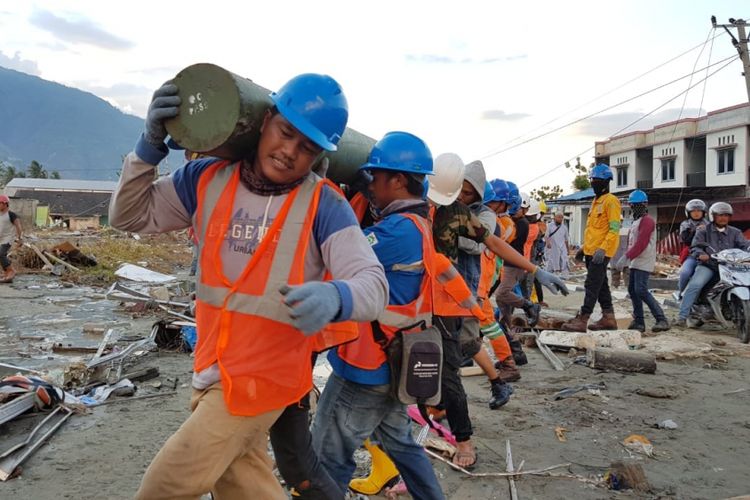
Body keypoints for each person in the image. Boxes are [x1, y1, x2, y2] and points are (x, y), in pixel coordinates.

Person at [109, 73, 388, 499]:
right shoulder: (205, 179)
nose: (289, 151)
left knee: (164, 486)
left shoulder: (324, 204)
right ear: (265, 121)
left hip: (264, 377)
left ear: (319, 154)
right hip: (211, 365)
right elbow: (128, 217)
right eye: (286, 132)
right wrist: (148, 148)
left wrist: (337, 295)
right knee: (242, 484)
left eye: (307, 147)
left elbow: (374, 285)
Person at [311, 131, 444, 499]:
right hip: (395, 361)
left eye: (376, 177)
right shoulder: (419, 223)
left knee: (329, 456)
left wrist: (322, 190)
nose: (370, 184)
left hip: (368, 365)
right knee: (402, 444)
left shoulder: (398, 231)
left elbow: (341, 251)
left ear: (399, 180)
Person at [428, 159, 568, 468]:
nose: (458, 196)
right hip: (412, 298)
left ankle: (463, 438)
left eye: (465, 192)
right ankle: (436, 407)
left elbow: (489, 242)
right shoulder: (409, 204)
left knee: (452, 366)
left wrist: (535, 270)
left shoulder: (459, 214)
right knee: (422, 362)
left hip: (448, 299)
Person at [561, 164, 621, 332]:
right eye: (592, 180)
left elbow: (614, 229)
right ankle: (609, 317)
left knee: (592, 285)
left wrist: (603, 249)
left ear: (606, 181)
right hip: (591, 251)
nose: (594, 183)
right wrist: (583, 249)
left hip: (601, 252)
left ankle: (583, 318)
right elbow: (593, 230)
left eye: (597, 180)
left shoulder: (611, 202)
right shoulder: (595, 202)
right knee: (601, 286)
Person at [675, 202, 750, 328]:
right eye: (719, 215)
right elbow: (695, 247)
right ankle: (682, 316)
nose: (723, 218)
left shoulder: (735, 232)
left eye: (726, 215)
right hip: (709, 265)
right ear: (713, 216)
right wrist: (701, 254)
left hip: (730, 267)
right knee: (696, 284)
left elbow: (745, 245)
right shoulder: (703, 230)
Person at [613, 190, 670, 333]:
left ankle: (661, 319)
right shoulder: (636, 222)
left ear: (645, 205)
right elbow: (632, 242)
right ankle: (639, 321)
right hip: (635, 260)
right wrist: (628, 257)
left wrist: (627, 256)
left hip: (643, 260)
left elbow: (642, 242)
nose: (635, 207)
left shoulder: (648, 221)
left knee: (641, 290)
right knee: (632, 290)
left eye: (638, 204)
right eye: (633, 205)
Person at [495, 191, 541, 329]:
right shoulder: (513, 221)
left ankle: (529, 306)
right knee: (504, 300)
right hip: (508, 264)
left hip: (514, 265)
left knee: (501, 294)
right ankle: (505, 327)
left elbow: (506, 242)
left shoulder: (522, 224)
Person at [677, 199, 708, 298]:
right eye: (693, 211)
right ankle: (681, 293)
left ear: (703, 212)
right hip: (692, 255)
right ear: (688, 213)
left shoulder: (709, 225)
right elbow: (686, 240)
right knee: (685, 273)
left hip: (708, 255)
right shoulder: (685, 224)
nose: (696, 213)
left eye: (699, 211)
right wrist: (696, 231)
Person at [0, 194, 22, 283]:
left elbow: (18, 226)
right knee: (1, 254)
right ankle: (6, 272)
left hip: (8, 239)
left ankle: (11, 270)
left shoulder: (11, 214)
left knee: (0, 253)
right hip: (0, 239)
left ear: (5, 204)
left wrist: (20, 238)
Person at [545, 210, 569, 275]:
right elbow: (546, 236)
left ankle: (562, 276)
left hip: (562, 248)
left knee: (563, 262)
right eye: (558, 217)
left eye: (561, 217)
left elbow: (566, 240)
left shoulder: (564, 228)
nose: (560, 219)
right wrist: (548, 243)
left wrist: (567, 249)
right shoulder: (549, 226)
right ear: (555, 217)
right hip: (552, 248)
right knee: (551, 263)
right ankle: (549, 275)